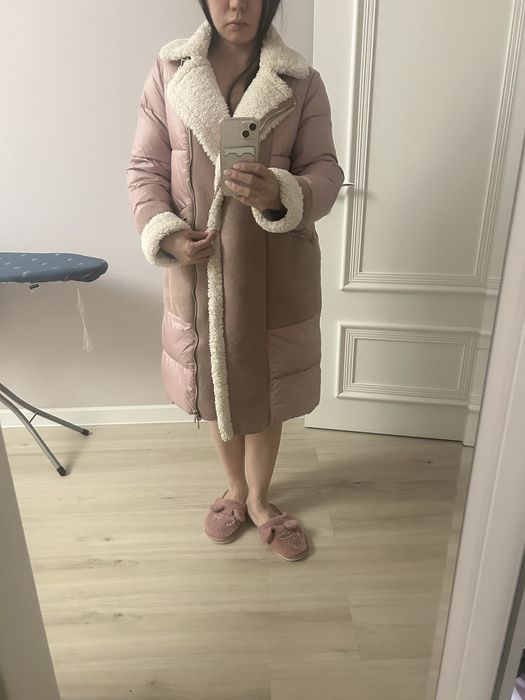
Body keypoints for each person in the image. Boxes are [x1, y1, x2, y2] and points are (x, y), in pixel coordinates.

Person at [126, 0, 344, 561]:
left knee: (268, 388)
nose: (237, 4)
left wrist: (282, 192)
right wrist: (167, 234)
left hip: (276, 267)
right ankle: (235, 490)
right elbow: (145, 169)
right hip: (201, 267)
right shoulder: (170, 72)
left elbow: (326, 170)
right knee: (214, 379)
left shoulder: (301, 82)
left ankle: (261, 499)